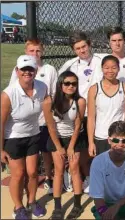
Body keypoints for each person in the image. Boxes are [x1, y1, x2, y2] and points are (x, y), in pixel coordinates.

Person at [9, 38, 58, 195]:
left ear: (42, 52)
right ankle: (23, 185)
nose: (35, 54)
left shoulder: (49, 70)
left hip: (43, 120)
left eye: (38, 51)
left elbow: (52, 94)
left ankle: (49, 178)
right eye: (31, 51)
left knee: (46, 151)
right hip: (23, 125)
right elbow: (12, 94)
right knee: (24, 163)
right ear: (26, 52)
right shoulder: (18, 71)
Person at [1, 55, 47, 219]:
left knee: (33, 172)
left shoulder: (42, 87)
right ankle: (18, 207)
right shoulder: (8, 94)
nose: (27, 72)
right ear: (17, 71)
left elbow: (47, 107)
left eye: (30, 69)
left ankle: (32, 202)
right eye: (23, 69)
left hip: (33, 135)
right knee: (18, 174)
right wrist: (0, 149)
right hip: (13, 138)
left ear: (35, 71)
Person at [59, 31, 103, 193]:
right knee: (79, 149)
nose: (82, 50)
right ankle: (75, 176)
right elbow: (61, 85)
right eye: (77, 48)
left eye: (84, 46)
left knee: (95, 148)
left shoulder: (101, 60)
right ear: (73, 50)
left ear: (89, 44)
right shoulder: (70, 65)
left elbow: (122, 58)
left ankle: (92, 178)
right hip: (77, 115)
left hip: (97, 113)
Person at [43, 71, 86, 219]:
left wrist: (71, 147)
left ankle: (77, 204)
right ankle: (57, 207)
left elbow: (78, 125)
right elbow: (51, 126)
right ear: (60, 84)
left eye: (74, 83)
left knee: (74, 169)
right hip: (57, 138)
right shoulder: (49, 101)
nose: (70, 86)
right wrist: (60, 147)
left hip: (73, 138)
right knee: (59, 171)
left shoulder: (80, 101)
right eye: (67, 83)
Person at [87, 56, 125, 158]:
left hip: (120, 138)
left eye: (114, 67)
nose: (110, 71)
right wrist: (91, 142)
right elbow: (91, 118)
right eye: (106, 67)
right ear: (102, 69)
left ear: (118, 69)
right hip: (101, 137)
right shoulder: (94, 89)